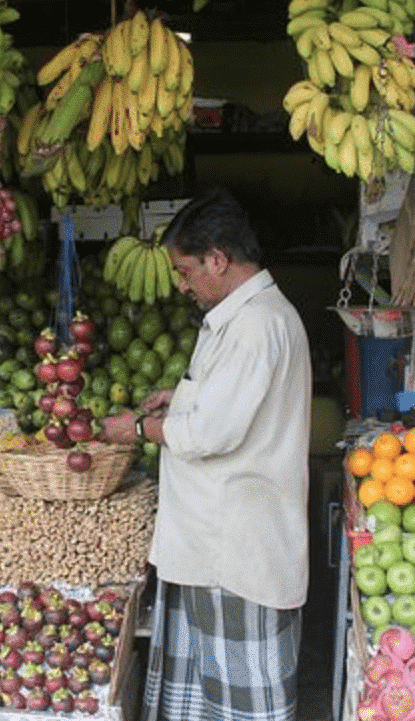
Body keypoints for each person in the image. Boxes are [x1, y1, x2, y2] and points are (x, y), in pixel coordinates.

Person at [101, 189, 313, 721]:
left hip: (237, 545)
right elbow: (233, 400)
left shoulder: (256, 325)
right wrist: (182, 398)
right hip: (220, 540)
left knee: (244, 695)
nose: (182, 284)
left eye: (186, 269)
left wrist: (141, 428)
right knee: (217, 686)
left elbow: (215, 432)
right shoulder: (243, 317)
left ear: (218, 260)